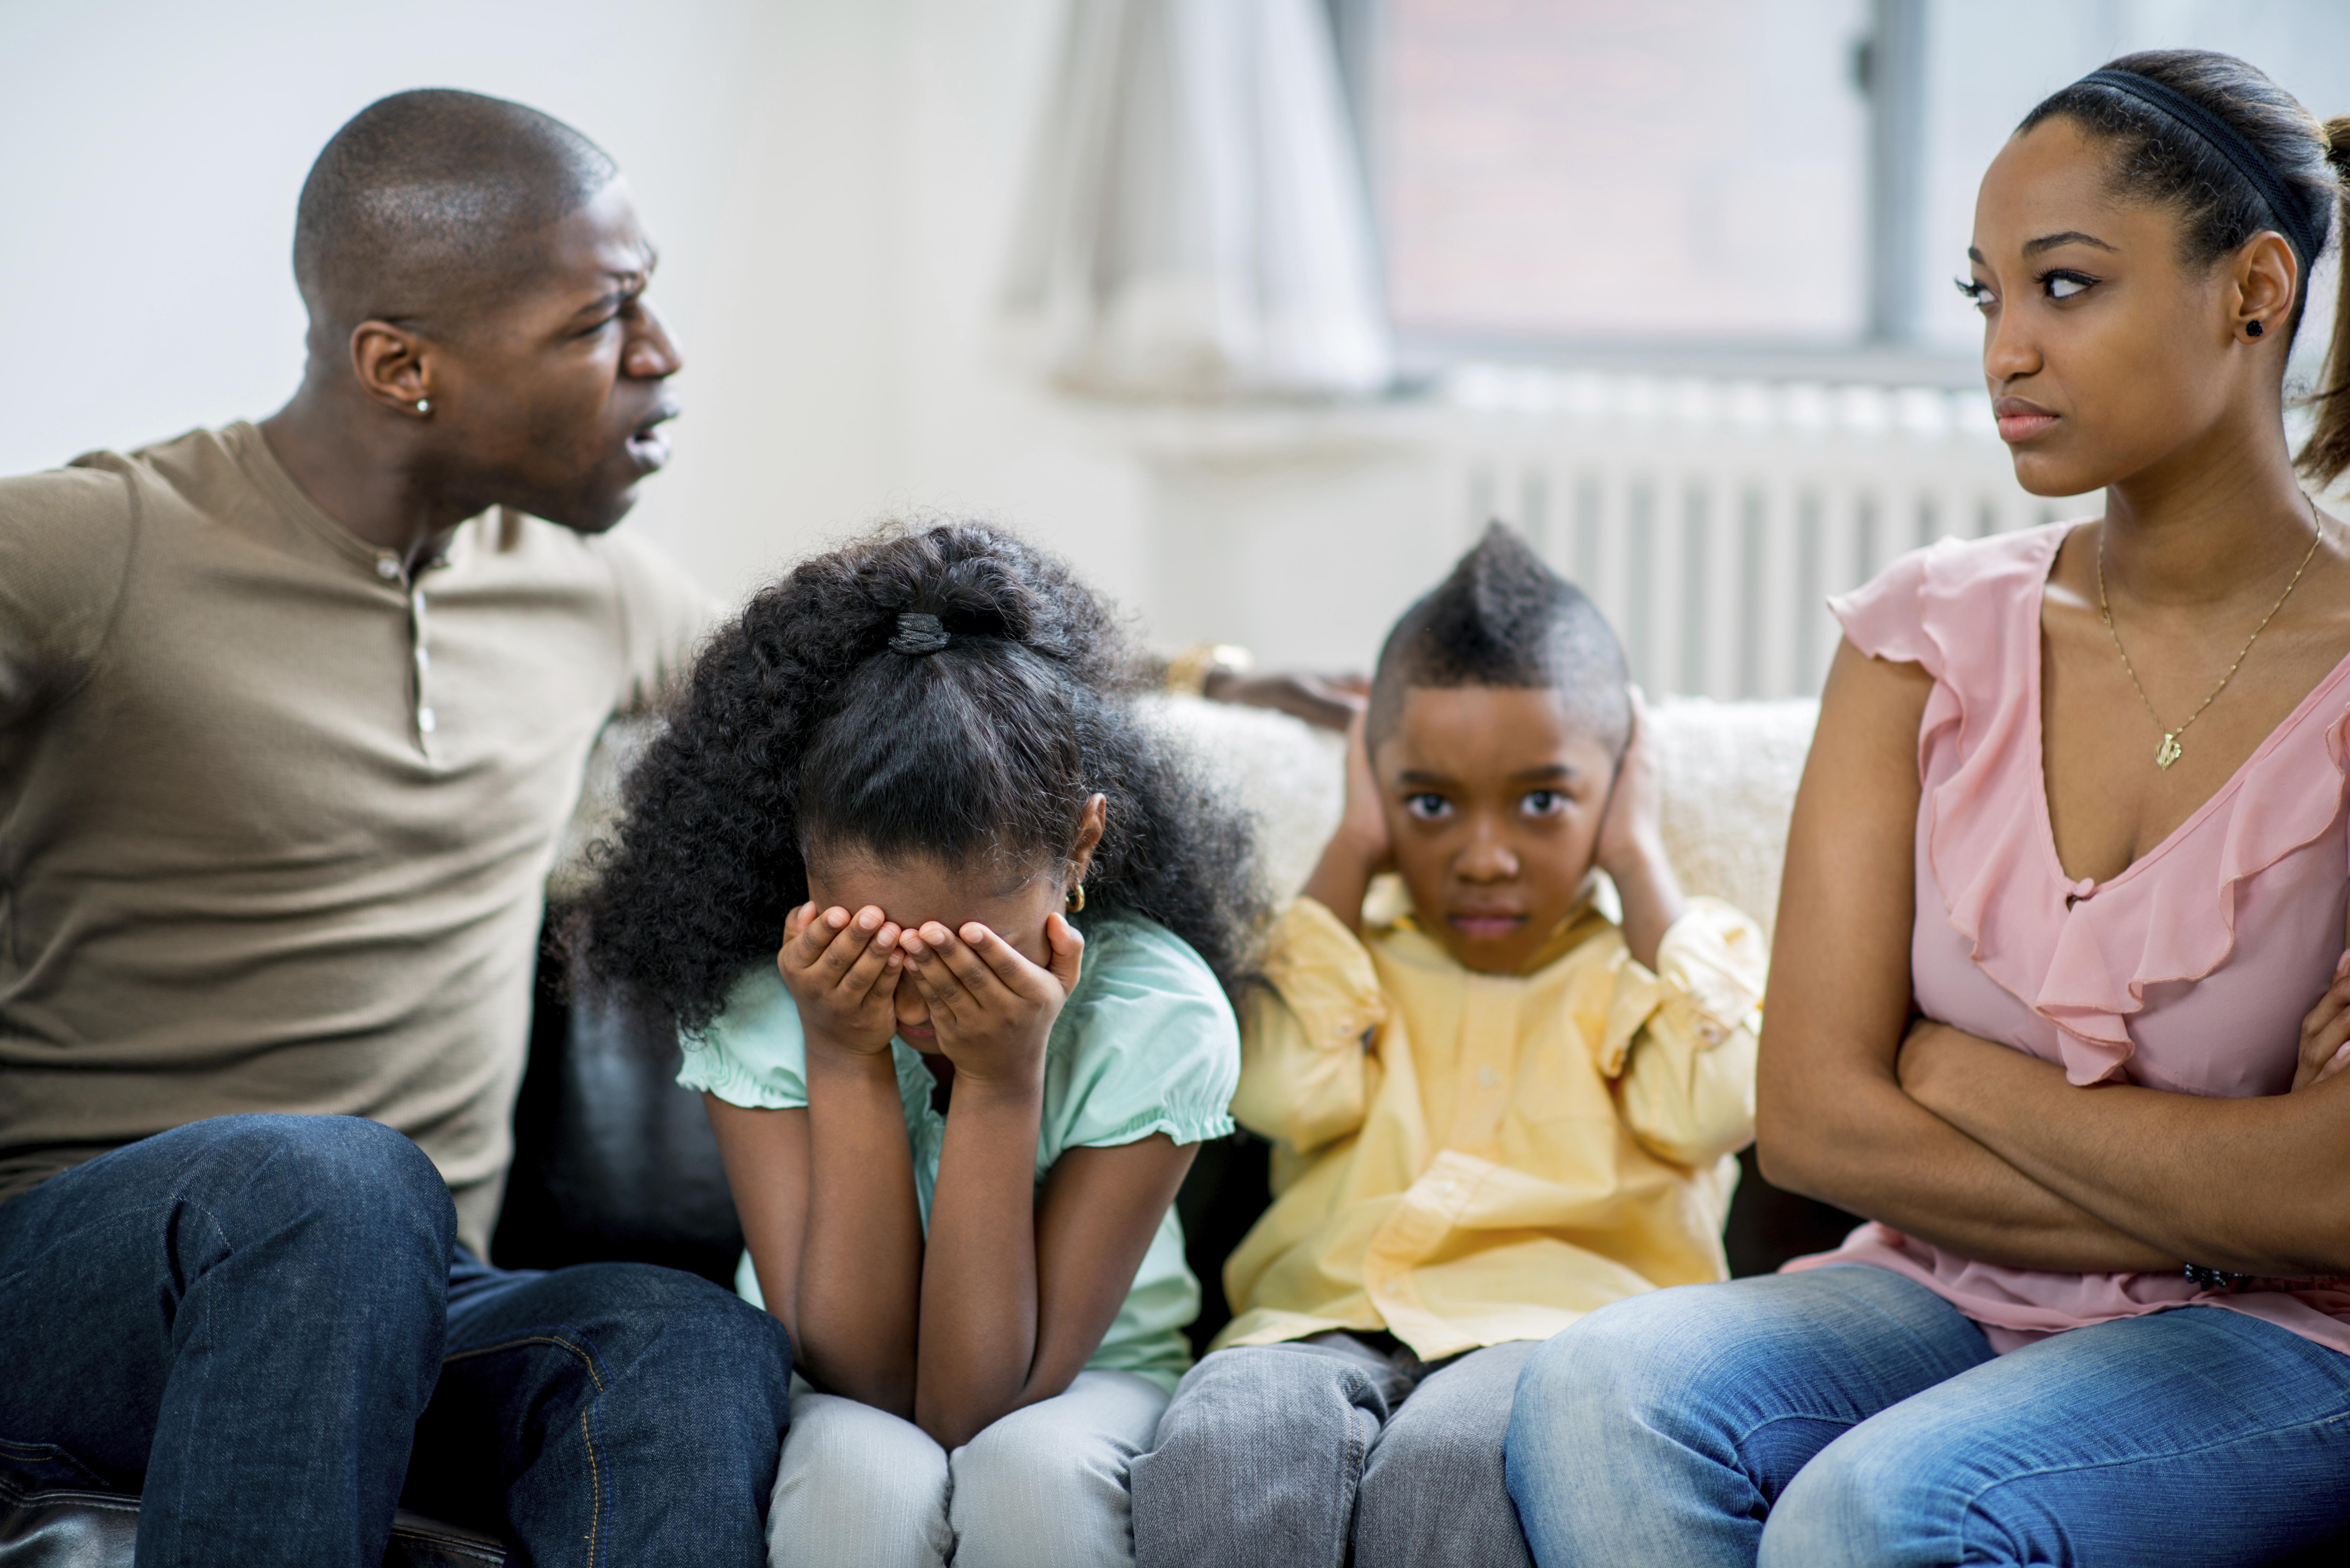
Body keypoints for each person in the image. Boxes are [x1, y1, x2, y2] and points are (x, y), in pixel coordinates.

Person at [1503, 49, 2350, 1567]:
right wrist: (2223, 1194)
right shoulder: (1918, 639)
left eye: (2066, 288)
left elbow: (2330, 1199)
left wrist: (1955, 1071)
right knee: (1594, 1387)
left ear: (2254, 289)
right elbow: (1816, 1121)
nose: (2006, 352)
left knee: (1886, 1505)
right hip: (1936, 1285)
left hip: (2289, 1343)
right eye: (1985, 298)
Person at [0, 90, 796, 1564]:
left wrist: (1206, 676)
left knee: (682, 1338)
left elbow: (839, 668)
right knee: (336, 1181)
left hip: (413, 1297)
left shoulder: (589, 592)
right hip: (75, 1284)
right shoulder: (88, 549)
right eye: (599, 321)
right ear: (400, 365)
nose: (661, 357)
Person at [571, 520, 1257, 1568]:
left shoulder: (1156, 1017)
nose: (929, 987)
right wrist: (842, 1059)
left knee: (1031, 1478)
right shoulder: (766, 1005)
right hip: (834, 1379)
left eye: (978, 945)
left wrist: (1002, 1080)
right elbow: (864, 1378)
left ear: (1081, 845)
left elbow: (983, 1405)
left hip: (1090, 1379)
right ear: (802, 867)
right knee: (856, 1478)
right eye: (881, 943)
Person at [1127, 524, 1768, 1568]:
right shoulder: (1348, 957)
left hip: (1552, 1340)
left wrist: (1642, 862)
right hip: (1318, 1323)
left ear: (1616, 790)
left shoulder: (1665, 965)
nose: (1483, 857)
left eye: (1544, 802)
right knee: (1227, 1438)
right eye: (1428, 803)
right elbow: (1281, 1092)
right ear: (1376, 788)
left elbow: (1722, 1103)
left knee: (1458, 1466)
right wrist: (1350, 848)